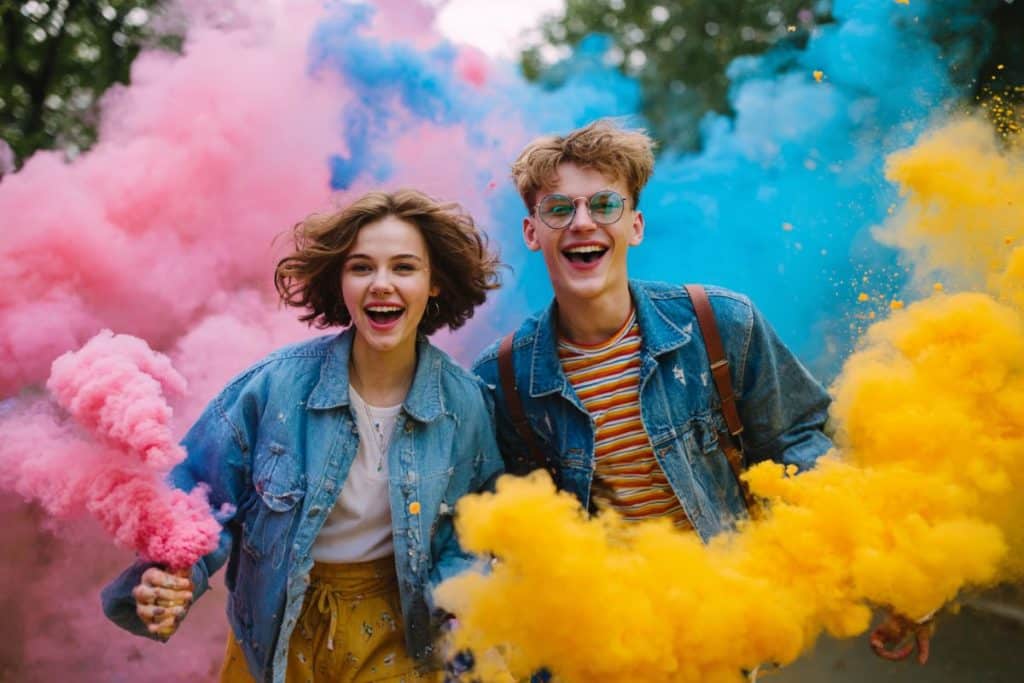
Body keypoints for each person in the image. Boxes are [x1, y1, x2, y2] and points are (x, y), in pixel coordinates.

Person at [471, 119, 930, 664]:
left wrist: (892, 577)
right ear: (532, 232)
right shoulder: (503, 378)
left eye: (605, 205)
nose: (582, 222)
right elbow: (509, 538)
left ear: (635, 225)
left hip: (722, 634)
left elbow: (801, 452)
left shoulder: (720, 324)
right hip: (603, 653)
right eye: (559, 209)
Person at [102, 189, 504, 683]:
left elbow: (476, 529)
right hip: (274, 630)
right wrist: (173, 573)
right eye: (361, 267)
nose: (381, 284)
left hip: (400, 635)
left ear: (434, 282)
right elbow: (199, 494)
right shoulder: (273, 386)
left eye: (404, 268)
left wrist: (459, 602)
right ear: (340, 281)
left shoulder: (464, 405)